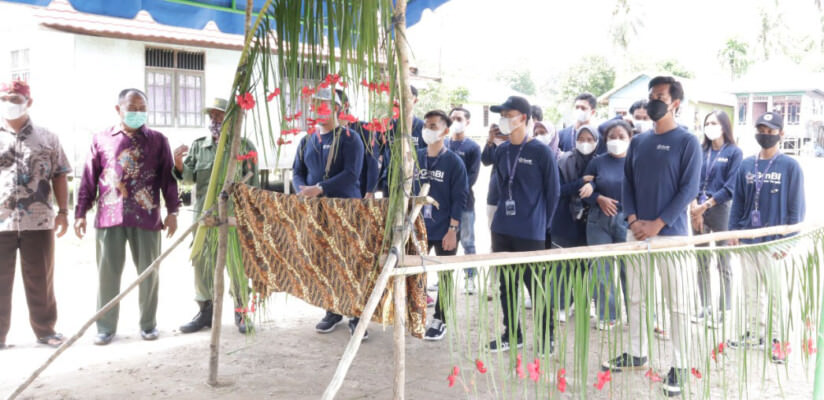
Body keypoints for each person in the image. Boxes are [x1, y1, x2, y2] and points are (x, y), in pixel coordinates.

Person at [600, 76, 701, 398]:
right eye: (651, 96)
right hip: (637, 232)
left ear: (675, 103)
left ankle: (681, 363)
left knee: (678, 303)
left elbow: (689, 189)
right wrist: (631, 218)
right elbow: (627, 182)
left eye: (659, 96)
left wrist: (658, 223)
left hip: (671, 236)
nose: (652, 101)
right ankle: (637, 352)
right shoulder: (640, 142)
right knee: (638, 297)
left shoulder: (687, 142)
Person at [75, 88, 180, 345]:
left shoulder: (158, 140)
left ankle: (148, 324)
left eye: (142, 108)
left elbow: (168, 178)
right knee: (107, 274)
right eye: (132, 108)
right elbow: (89, 178)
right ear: (118, 109)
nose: (137, 113)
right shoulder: (101, 139)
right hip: (110, 218)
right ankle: (105, 327)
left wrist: (173, 211)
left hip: (147, 216)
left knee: (149, 272)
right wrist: (80, 212)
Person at [173, 97, 260, 335]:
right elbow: (188, 180)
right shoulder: (199, 146)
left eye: (220, 116)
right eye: (212, 116)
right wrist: (179, 164)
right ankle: (205, 313)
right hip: (205, 220)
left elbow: (255, 188)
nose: (215, 120)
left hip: (233, 221)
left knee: (237, 266)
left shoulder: (244, 146)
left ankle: (242, 313)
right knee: (201, 266)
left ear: (232, 119)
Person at [727, 111, 805, 365]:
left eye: (771, 131)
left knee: (775, 294)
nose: (766, 135)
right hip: (748, 239)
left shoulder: (790, 166)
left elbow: (797, 207)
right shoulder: (747, 164)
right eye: (761, 129)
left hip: (775, 242)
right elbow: (738, 201)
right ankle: (754, 332)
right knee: (750, 291)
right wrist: (734, 232)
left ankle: (778, 339)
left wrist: (789, 240)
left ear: (781, 134)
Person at [485, 96, 560, 353]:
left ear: (524, 119)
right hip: (503, 229)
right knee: (507, 286)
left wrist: (543, 225)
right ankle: (512, 333)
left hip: (532, 232)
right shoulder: (502, 150)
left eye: (509, 114)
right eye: (502, 115)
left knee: (536, 286)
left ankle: (545, 334)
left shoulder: (541, 151)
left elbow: (554, 192)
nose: (504, 119)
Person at [0, 80, 71, 349]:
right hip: (1, 221)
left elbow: (60, 175)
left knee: (41, 277)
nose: (10, 103)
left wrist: (63, 212)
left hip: (38, 220)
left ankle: (45, 330)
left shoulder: (47, 138)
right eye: (5, 98)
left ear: (29, 102)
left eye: (16, 98)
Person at [292, 87, 367, 339]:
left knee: (351, 260)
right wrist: (302, 190)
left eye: (323, 105)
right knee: (324, 260)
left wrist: (321, 188)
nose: (317, 110)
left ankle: (357, 315)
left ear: (336, 109)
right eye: (314, 105)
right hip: (317, 210)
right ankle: (332, 309)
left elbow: (351, 174)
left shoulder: (349, 138)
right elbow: (297, 171)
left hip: (346, 209)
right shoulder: (307, 140)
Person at [416, 110, 468, 341]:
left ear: (445, 131)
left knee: (445, 275)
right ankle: (414, 312)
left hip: (444, 228)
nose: (428, 129)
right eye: (426, 125)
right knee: (415, 272)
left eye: (434, 125)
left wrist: (453, 229)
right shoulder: (416, 157)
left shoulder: (454, 162)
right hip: (418, 227)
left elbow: (460, 197)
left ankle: (440, 319)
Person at [689, 110, 742, 326]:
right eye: (707, 122)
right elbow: (690, 180)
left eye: (714, 123)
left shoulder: (734, 152)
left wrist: (705, 206)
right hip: (697, 211)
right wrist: (695, 207)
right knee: (701, 262)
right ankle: (705, 306)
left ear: (724, 126)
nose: (710, 126)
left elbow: (731, 187)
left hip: (720, 209)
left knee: (723, 262)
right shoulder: (701, 151)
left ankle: (724, 309)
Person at [579, 120, 632, 331]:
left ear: (630, 139)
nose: (616, 141)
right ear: (605, 140)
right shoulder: (597, 161)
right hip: (598, 221)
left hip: (627, 220)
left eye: (621, 137)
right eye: (612, 137)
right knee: (601, 269)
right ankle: (607, 314)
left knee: (631, 270)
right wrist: (598, 197)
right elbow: (585, 187)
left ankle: (638, 314)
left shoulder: (636, 162)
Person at [549, 124, 600, 322]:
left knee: (585, 266)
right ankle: (561, 304)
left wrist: (592, 185)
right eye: (581, 139)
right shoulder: (563, 161)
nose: (585, 143)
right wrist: (581, 183)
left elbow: (603, 186)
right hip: (564, 219)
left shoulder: (600, 162)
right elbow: (557, 190)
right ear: (575, 140)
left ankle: (583, 303)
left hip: (589, 220)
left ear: (596, 142)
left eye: (590, 140)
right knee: (563, 265)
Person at [445, 107, 480, 294]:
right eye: (452, 118)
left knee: (467, 241)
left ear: (467, 122)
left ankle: (470, 279)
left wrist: (456, 190)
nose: (455, 122)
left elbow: (472, 178)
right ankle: (445, 276)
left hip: (465, 204)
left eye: (459, 118)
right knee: (445, 242)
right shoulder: (443, 143)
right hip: (444, 204)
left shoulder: (472, 148)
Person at [377, 86, 424, 196]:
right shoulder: (388, 125)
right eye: (397, 98)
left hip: (414, 181)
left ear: (415, 100)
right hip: (390, 181)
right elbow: (383, 153)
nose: (401, 102)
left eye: (406, 98)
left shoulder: (422, 127)